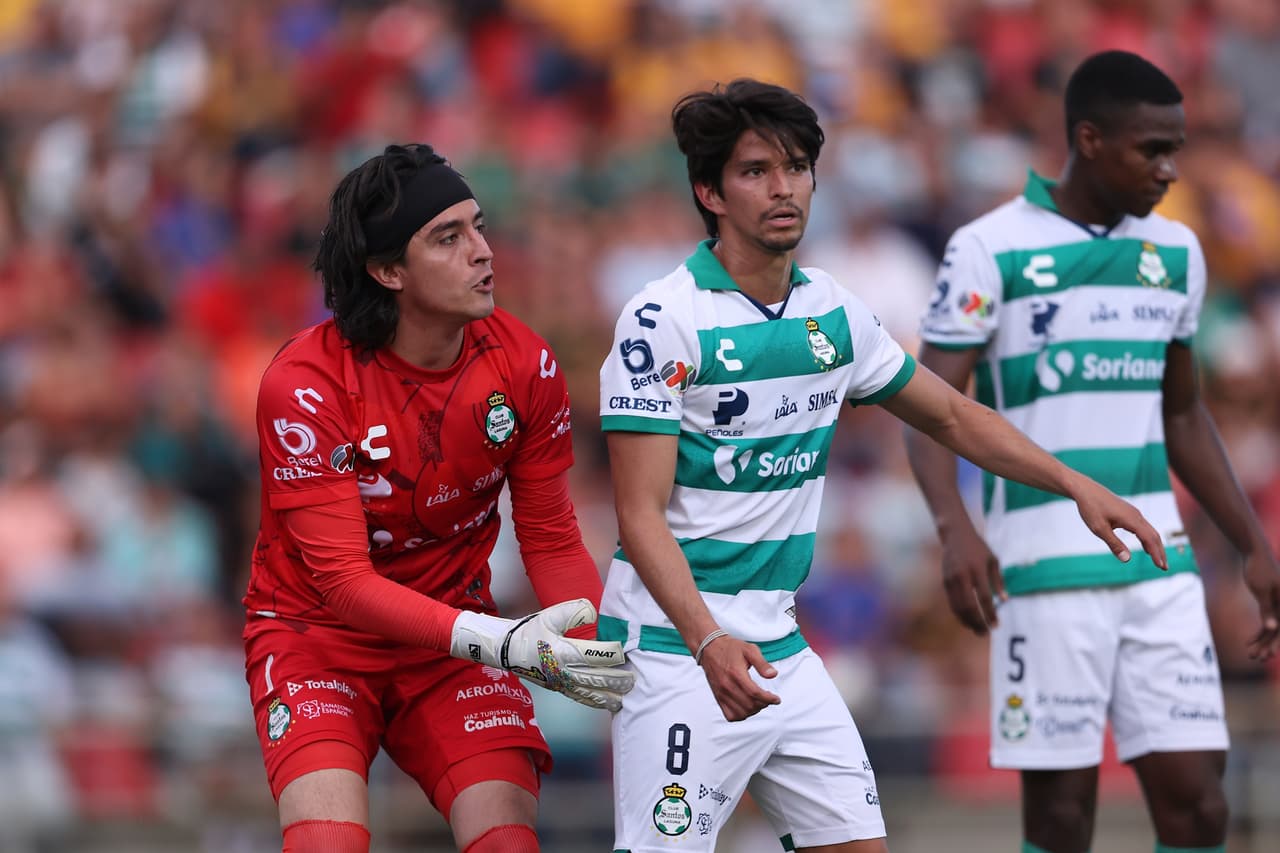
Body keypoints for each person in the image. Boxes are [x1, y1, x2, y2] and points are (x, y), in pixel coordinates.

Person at [596, 78, 1168, 853]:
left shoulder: (832, 309)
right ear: (710, 190)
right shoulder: (663, 320)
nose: (783, 188)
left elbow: (953, 414)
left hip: (779, 646)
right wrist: (705, 640)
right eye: (756, 171)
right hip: (675, 649)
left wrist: (1076, 485)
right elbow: (638, 515)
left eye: (796, 168)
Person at [905, 51, 1280, 853]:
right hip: (1042, 574)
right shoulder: (989, 247)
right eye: (1153, 149)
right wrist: (954, 527)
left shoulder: (1176, 253)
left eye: (1175, 148)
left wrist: (1253, 542)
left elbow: (1183, 414)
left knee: (1201, 806)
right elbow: (928, 409)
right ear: (1089, 138)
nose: (1170, 169)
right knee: (1063, 820)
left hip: (1158, 564)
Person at [242, 143, 633, 853]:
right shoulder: (303, 385)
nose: (484, 252)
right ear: (389, 270)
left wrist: (586, 655)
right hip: (316, 640)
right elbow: (344, 584)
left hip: (451, 648)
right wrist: (507, 644)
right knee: (328, 842)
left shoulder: (525, 363)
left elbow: (549, 536)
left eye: (479, 227)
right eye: (449, 238)